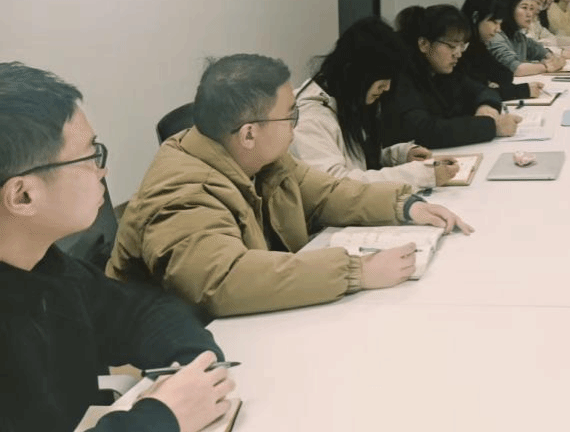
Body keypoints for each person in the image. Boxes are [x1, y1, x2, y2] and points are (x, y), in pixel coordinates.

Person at [1, 62, 234, 432]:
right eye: (91, 155)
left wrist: (192, 365)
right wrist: (161, 418)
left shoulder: (46, 267)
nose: (103, 172)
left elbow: (143, 311)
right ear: (23, 195)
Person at [108, 54, 472, 319]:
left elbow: (328, 193)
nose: (295, 126)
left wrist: (405, 206)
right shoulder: (182, 191)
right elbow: (223, 280)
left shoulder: (261, 158)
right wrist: (356, 271)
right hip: (185, 355)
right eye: (290, 115)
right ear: (249, 133)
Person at [291, 16, 458, 189]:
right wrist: (419, 175)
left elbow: (355, 162)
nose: (387, 87)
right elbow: (337, 188)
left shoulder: (344, 99)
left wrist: (397, 157)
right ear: (355, 71)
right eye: (383, 77)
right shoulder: (310, 118)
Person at [382, 5, 522, 149]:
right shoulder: (402, 75)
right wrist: (491, 127)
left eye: (462, 46)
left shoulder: (443, 70)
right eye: (451, 46)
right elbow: (425, 131)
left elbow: (483, 90)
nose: (458, 54)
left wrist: (486, 106)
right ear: (424, 44)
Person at [458, 0, 544, 102]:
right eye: (494, 22)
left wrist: (491, 87)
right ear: (476, 17)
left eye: (500, 23)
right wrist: (522, 90)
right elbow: (470, 95)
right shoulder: (462, 48)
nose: (498, 29)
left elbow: (505, 75)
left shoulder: (477, 45)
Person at [487, 0, 569, 78]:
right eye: (524, 8)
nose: (530, 14)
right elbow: (517, 69)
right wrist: (546, 66)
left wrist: (554, 60)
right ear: (509, 8)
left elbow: (543, 52)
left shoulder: (519, 37)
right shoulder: (495, 36)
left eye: (531, 9)